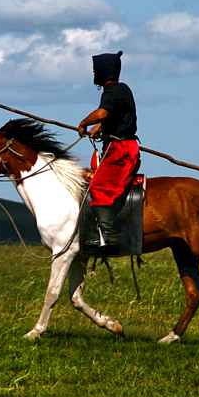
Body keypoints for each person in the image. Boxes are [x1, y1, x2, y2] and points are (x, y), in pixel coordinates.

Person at [77, 50, 140, 255]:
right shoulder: (121, 90)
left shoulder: (112, 90)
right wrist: (102, 128)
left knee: (99, 185)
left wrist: (85, 123)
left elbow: (102, 112)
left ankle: (108, 236)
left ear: (103, 71)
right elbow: (117, 116)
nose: (94, 72)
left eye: (96, 69)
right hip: (119, 145)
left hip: (121, 149)